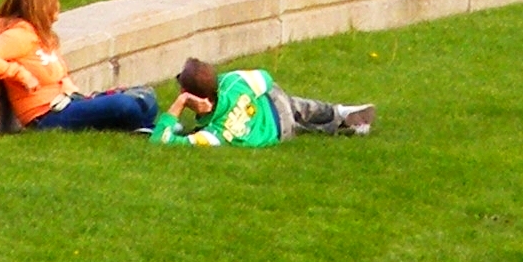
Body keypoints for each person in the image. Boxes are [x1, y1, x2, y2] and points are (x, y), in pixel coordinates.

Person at [0, 0, 158, 134]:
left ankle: (140, 126)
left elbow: (58, 73)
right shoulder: (18, 36)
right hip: (46, 115)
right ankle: (143, 127)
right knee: (124, 105)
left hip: (69, 101)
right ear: (41, 6)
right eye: (54, 2)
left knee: (147, 96)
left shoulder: (43, 36)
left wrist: (67, 83)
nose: (58, 6)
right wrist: (19, 74)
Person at [154, 56, 372, 147]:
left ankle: (345, 127)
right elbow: (265, 79)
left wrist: (179, 104)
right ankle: (340, 113)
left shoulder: (213, 134)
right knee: (298, 108)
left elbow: (160, 140)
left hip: (276, 135)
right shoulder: (232, 82)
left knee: (301, 126)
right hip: (274, 104)